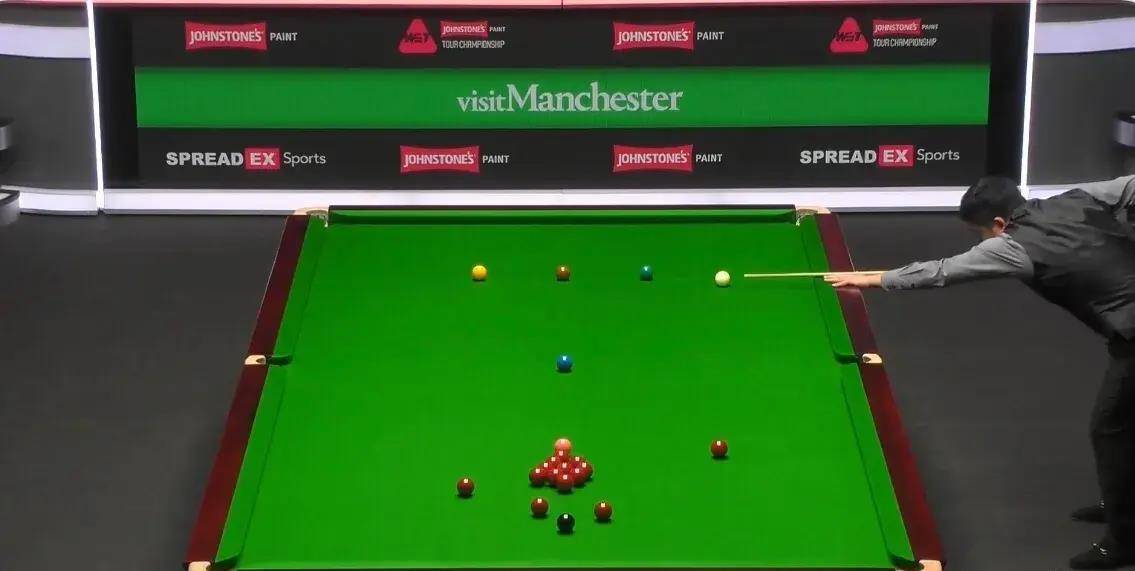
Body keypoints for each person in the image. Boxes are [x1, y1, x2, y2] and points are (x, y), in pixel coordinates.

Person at [826, 175, 1135, 570]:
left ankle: (1125, 541)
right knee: (1122, 424)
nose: (982, 242)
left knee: (1108, 429)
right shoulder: (1076, 198)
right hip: (1126, 331)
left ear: (1000, 224)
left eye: (981, 233)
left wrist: (874, 278)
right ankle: (1122, 501)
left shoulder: (1012, 246)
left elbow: (942, 271)